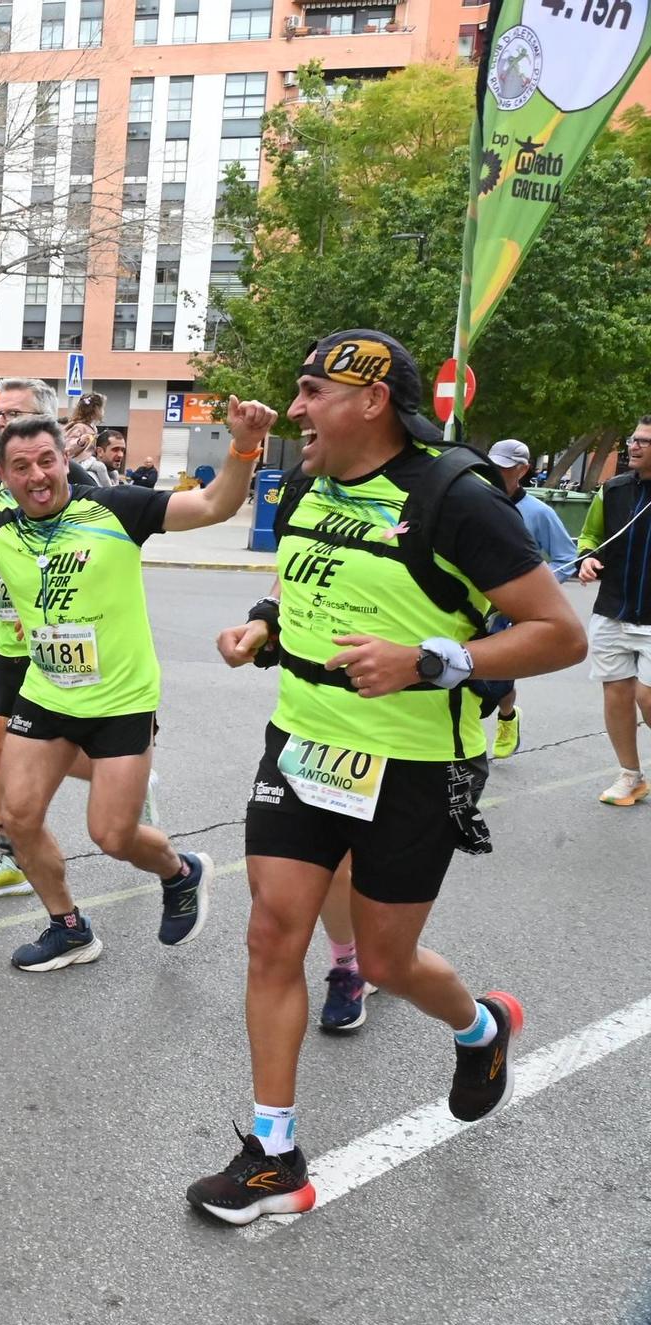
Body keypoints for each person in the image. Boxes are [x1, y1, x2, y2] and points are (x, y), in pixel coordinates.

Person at [187, 328, 584, 1225]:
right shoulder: (308, 479)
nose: (294, 410)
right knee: (270, 936)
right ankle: (273, 1153)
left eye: (310, 391)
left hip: (415, 764)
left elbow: (561, 634)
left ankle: (481, 1028)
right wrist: (262, 624)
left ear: (371, 399)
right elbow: (306, 586)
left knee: (388, 958)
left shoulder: (459, 497)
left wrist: (432, 659)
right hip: (304, 742)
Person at [0, 400, 273, 967]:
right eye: (20, 467)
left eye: (45, 460)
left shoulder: (118, 509)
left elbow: (215, 503)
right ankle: (68, 926)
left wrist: (242, 447)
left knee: (113, 836)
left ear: (65, 460)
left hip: (121, 700)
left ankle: (181, 871)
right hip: (46, 694)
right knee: (19, 818)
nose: (36, 476)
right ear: (4, 475)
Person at [0, 378, 97, 901]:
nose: (1, 423)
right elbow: (4, 563)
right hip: (11, 643)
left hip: (66, 642)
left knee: (58, 748)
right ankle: (9, 856)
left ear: (46, 425)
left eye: (13, 414)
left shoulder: (76, 482)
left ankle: (124, 774)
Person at [474, 439, 580, 758]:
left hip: (511, 612)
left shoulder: (538, 512)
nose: (496, 472)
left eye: (504, 468)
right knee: (463, 671)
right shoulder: (473, 501)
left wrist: (537, 589)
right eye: (493, 464)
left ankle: (507, 716)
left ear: (522, 470)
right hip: (469, 605)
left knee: (496, 679)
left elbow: (566, 557)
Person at [575, 419, 651, 805]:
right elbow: (590, 536)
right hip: (612, 610)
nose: (634, 447)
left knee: (648, 698)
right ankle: (630, 776)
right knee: (617, 694)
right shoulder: (613, 489)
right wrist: (587, 558)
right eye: (634, 439)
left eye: (644, 442)